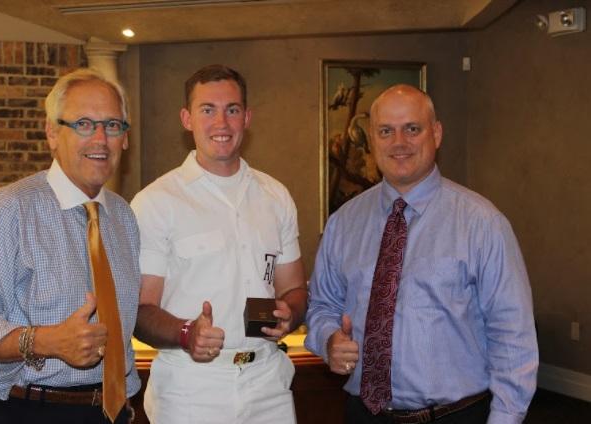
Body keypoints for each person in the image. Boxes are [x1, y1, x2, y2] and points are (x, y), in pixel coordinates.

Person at [305, 84, 538, 424]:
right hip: (364, 414)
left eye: (412, 129)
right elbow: (323, 305)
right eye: (386, 131)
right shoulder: (343, 223)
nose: (399, 143)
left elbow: (512, 334)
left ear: (436, 133)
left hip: (455, 415)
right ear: (371, 139)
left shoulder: (482, 223)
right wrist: (328, 340)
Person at [0, 68, 140, 423]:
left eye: (112, 125)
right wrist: (47, 341)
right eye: (84, 124)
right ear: (52, 133)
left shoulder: (123, 216)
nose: (100, 139)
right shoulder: (8, 209)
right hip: (23, 410)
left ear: (125, 139)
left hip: (111, 411)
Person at [130, 64, 307, 424]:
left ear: (247, 117)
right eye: (207, 110)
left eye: (232, 110)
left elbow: (295, 289)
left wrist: (291, 312)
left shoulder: (276, 196)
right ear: (187, 118)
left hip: (267, 383)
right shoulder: (155, 201)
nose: (221, 123)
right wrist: (186, 332)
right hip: (191, 387)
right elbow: (140, 309)